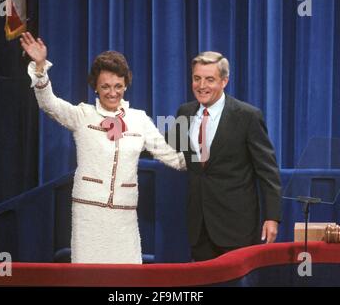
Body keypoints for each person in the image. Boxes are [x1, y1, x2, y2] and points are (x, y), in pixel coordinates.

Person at [20, 32, 186, 264]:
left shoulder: (139, 119)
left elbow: (173, 157)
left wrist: (206, 153)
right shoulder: (83, 115)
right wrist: (40, 66)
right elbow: (49, 104)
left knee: (127, 281)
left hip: (124, 216)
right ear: (95, 87)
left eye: (118, 85)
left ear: (126, 85)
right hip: (89, 214)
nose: (112, 92)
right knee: (89, 277)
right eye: (105, 86)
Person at [170, 51, 281, 261]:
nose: (201, 85)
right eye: (197, 78)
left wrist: (272, 217)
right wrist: (128, 137)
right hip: (199, 226)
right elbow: (169, 145)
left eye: (209, 79)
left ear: (224, 81)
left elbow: (267, 171)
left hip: (237, 226)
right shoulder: (184, 112)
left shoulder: (247, 116)